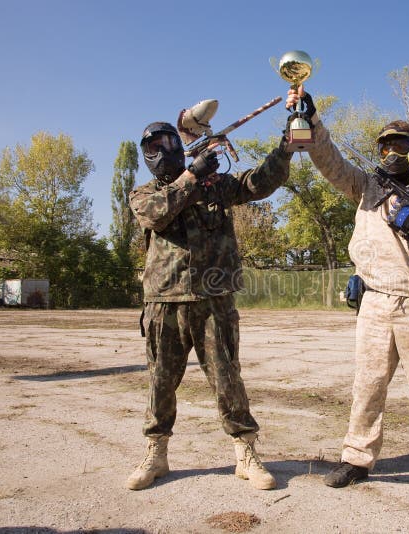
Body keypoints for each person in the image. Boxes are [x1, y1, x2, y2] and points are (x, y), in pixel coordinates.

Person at [286, 87, 409, 504]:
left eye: (400, 143)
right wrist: (311, 121)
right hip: (374, 301)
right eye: (385, 144)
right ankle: (356, 460)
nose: (391, 150)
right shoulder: (366, 187)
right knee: (367, 385)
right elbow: (329, 161)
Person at [126, 120, 292, 491]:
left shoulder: (215, 187)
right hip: (164, 301)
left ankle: (245, 454)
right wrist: (190, 176)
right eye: (154, 145)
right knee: (160, 382)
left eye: (169, 140)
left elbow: (258, 184)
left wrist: (285, 147)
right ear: (146, 154)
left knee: (228, 378)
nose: (162, 149)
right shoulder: (143, 193)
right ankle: (156, 453)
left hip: (214, 300)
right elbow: (157, 214)